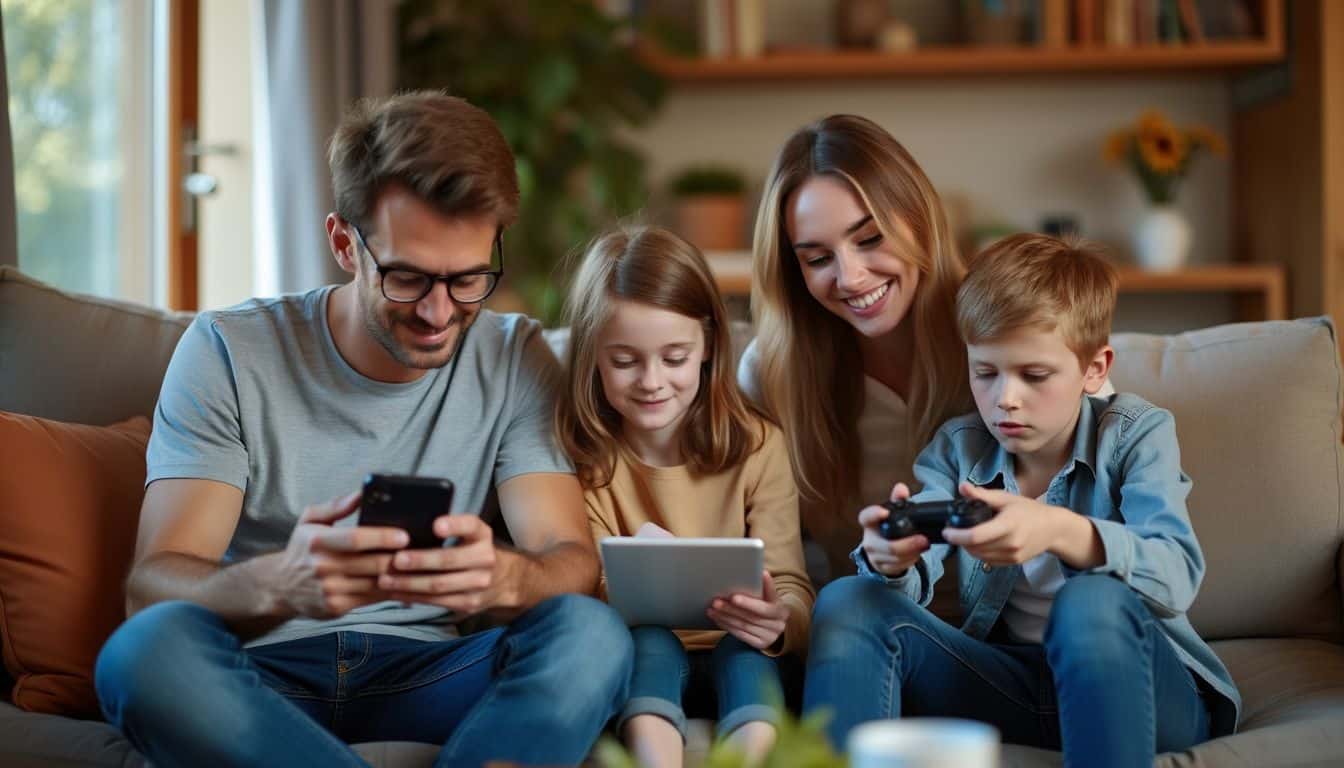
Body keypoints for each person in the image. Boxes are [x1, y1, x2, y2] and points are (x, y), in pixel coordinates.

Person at [93, 91, 633, 768]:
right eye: (407, 277)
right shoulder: (228, 350)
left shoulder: (516, 357)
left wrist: (505, 579)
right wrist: (280, 584)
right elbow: (151, 586)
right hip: (261, 679)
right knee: (143, 654)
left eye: (469, 279)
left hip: (437, 674)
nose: (440, 312)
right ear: (344, 243)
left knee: (592, 633)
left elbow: (569, 560)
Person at [804, 233, 1240, 767]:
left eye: (1034, 376)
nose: (1005, 399)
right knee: (850, 598)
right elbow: (914, 569)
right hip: (1014, 686)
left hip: (1142, 689)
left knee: (1090, 601)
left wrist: (1059, 529)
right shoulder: (959, 447)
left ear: (1094, 369)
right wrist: (891, 559)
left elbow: (1178, 572)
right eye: (985, 373)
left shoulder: (1135, 434)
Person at [556, 226, 814, 768]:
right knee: (651, 641)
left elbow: (791, 583)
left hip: (742, 650)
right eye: (625, 361)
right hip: (642, 655)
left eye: (674, 358)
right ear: (592, 357)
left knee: (747, 654)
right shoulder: (585, 458)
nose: (652, 381)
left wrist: (779, 620)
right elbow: (587, 593)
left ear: (709, 347)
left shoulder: (759, 445)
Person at [737, 114, 971, 587]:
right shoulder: (770, 373)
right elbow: (755, 543)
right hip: (869, 619)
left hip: (1008, 629)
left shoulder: (1005, 324)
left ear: (918, 218)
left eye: (870, 238)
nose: (851, 278)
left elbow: (1105, 473)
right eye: (818, 259)